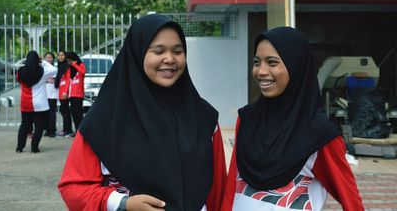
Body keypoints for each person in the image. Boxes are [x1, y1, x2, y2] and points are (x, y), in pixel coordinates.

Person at [58, 14, 226, 211]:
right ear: (137, 53)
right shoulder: (104, 120)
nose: (170, 59)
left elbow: (218, 191)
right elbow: (73, 188)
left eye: (178, 51)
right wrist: (122, 203)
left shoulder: (204, 118)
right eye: (158, 51)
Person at [221, 27, 364, 211]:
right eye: (257, 62)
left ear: (296, 66)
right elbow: (232, 184)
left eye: (272, 63)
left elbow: (351, 200)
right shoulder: (247, 119)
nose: (261, 71)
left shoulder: (320, 135)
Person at [16, 50, 57, 153]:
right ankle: (34, 148)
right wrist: (43, 61)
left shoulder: (20, 71)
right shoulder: (43, 71)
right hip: (40, 104)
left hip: (26, 103)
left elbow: (18, 80)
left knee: (24, 125)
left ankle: (19, 147)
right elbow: (54, 69)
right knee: (39, 127)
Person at [65, 51, 86, 134]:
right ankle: (77, 130)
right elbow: (67, 80)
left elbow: (83, 72)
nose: (69, 62)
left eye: (70, 60)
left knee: (78, 114)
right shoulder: (69, 68)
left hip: (78, 94)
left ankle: (81, 131)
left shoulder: (80, 65)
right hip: (71, 94)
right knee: (73, 113)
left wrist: (74, 64)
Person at [55, 50, 73, 137]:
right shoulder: (60, 66)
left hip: (64, 92)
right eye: (59, 55)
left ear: (65, 56)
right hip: (60, 91)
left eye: (62, 55)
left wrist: (65, 91)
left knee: (65, 112)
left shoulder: (67, 66)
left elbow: (68, 79)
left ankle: (68, 130)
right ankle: (65, 129)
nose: (60, 57)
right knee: (63, 111)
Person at [44, 52, 58, 137]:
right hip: (44, 93)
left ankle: (52, 130)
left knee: (52, 112)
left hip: (52, 93)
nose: (49, 59)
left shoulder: (55, 69)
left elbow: (56, 80)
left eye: (50, 57)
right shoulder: (42, 68)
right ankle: (47, 129)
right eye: (47, 58)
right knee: (45, 113)